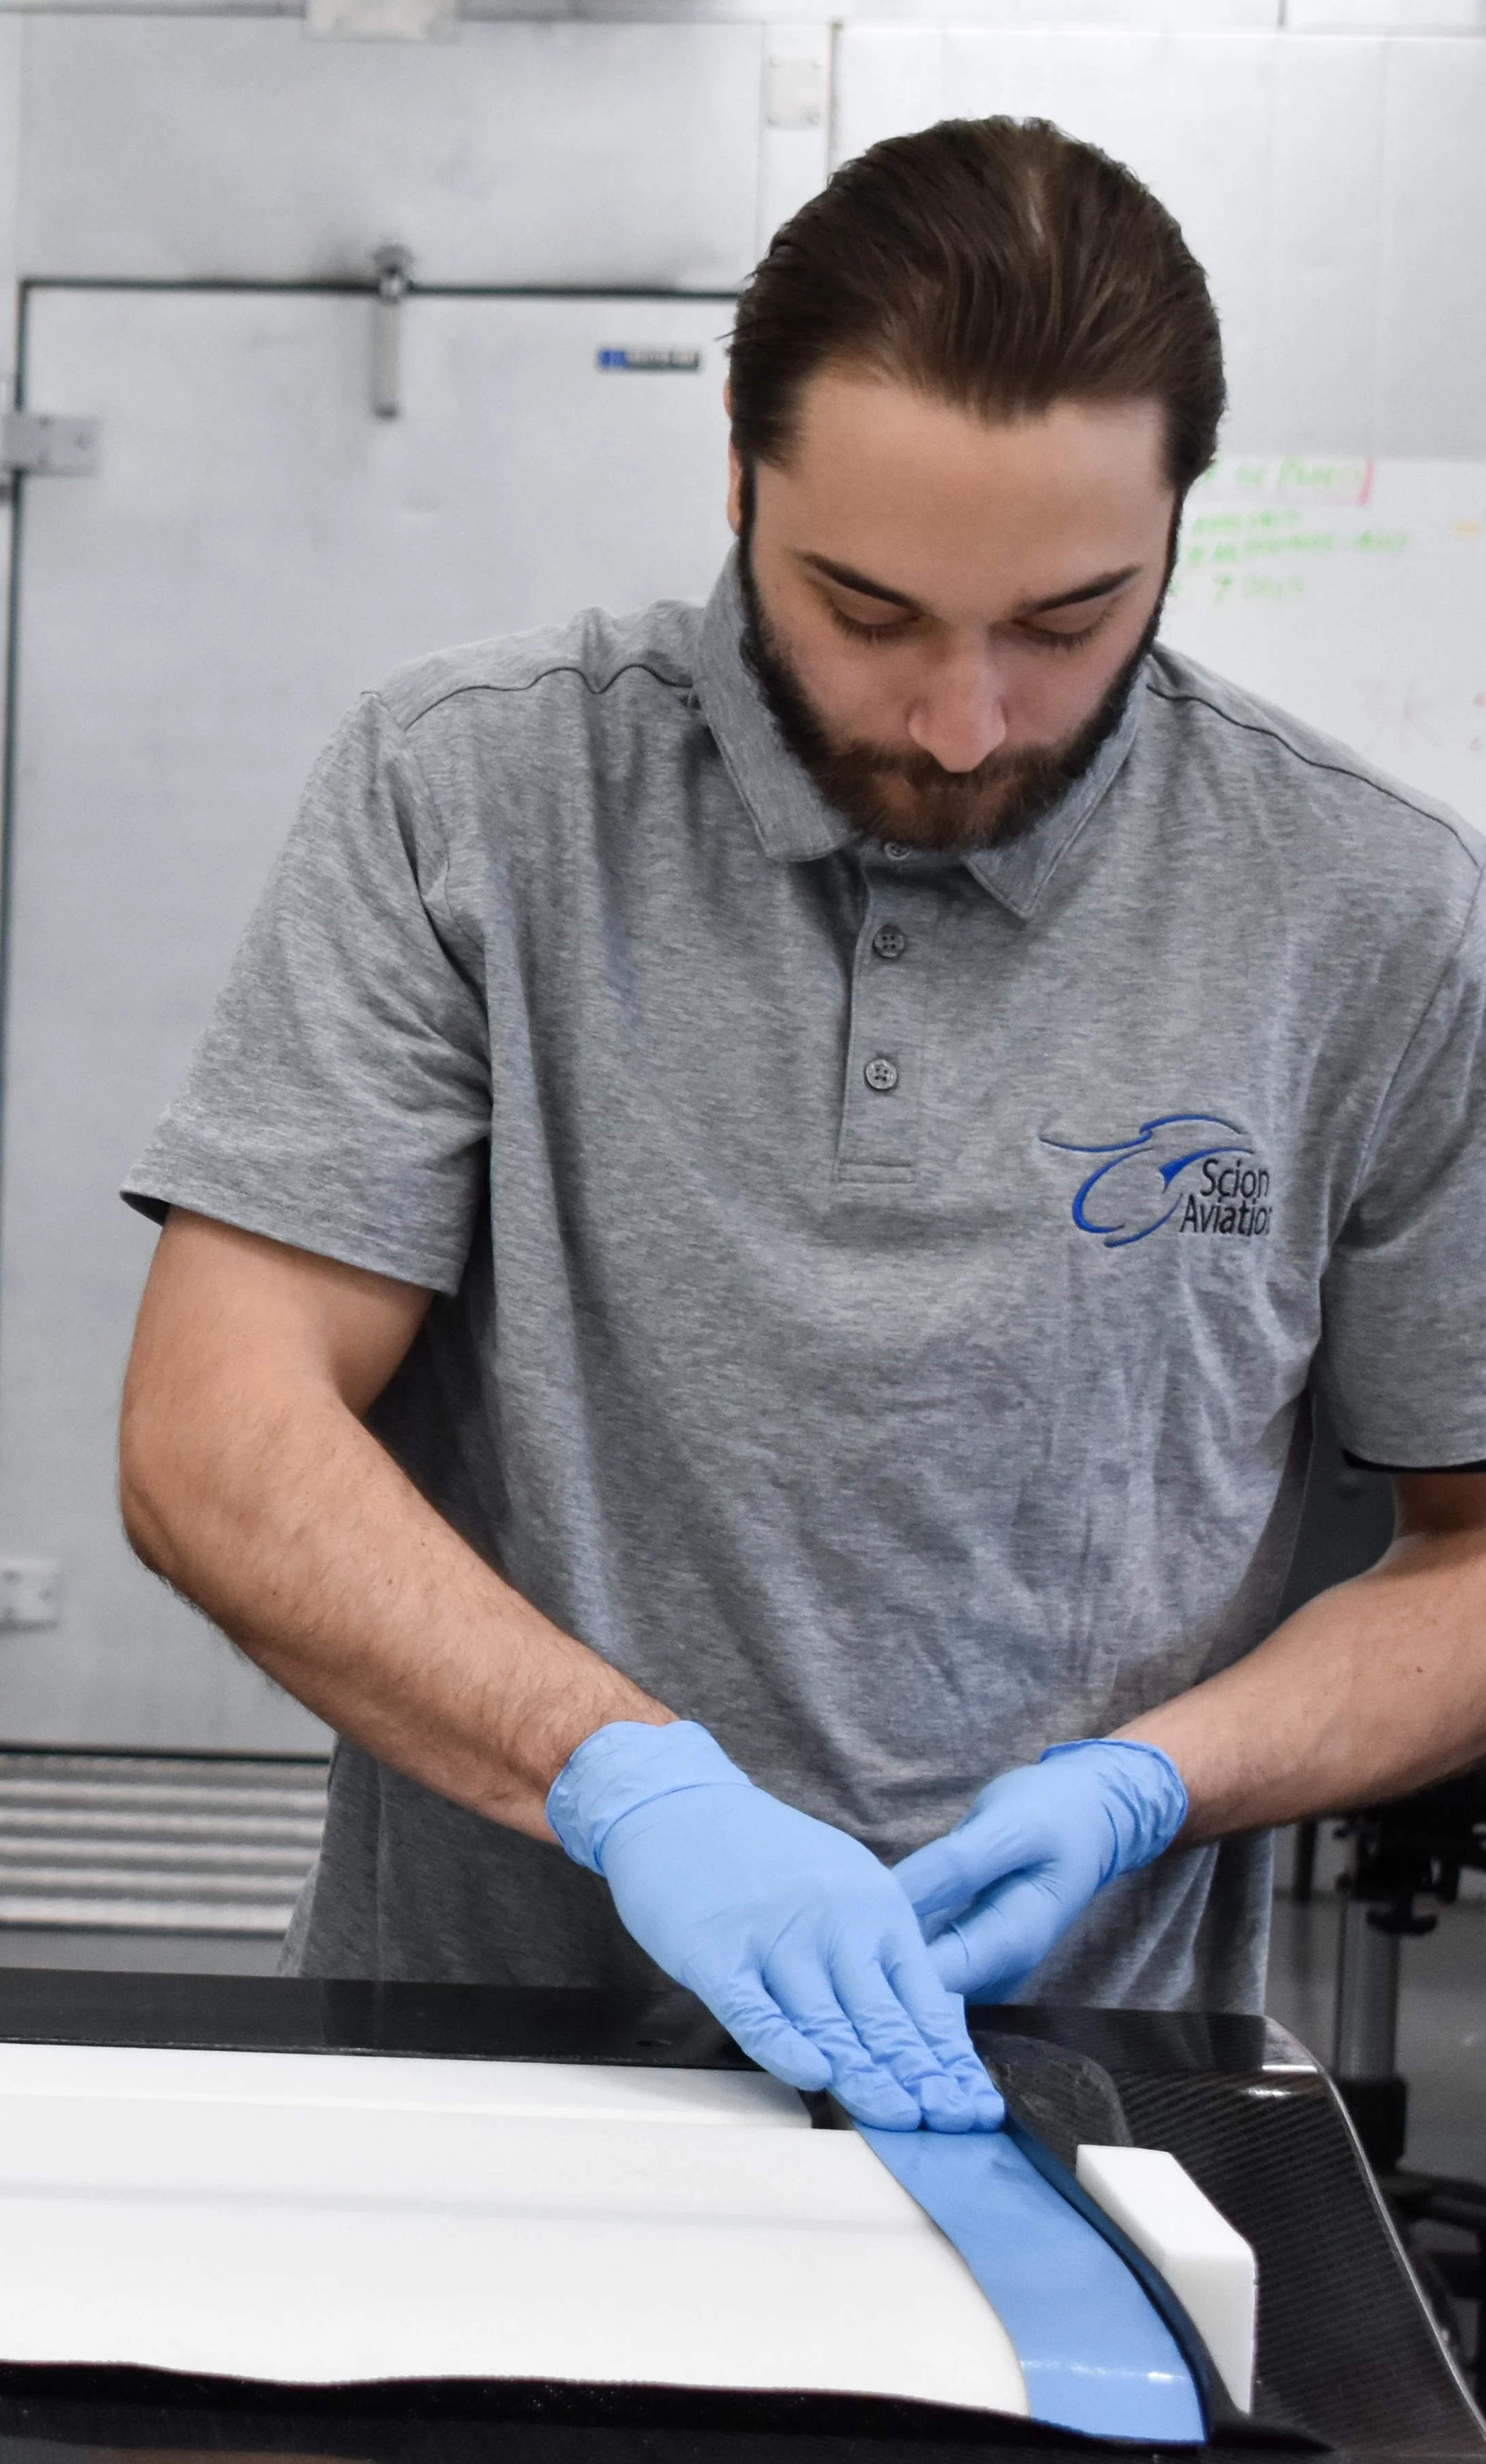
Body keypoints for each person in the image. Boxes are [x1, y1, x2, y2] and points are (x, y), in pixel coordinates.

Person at [118, 117, 1486, 2132]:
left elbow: (1467, 1562)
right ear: (739, 483)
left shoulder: (1364, 912)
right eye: (865, 612)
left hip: (1077, 2096)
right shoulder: (469, 800)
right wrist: (625, 1782)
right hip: (484, 2074)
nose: (959, 723)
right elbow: (214, 1440)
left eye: (1061, 623)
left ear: (1180, 524)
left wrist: (1151, 1787)